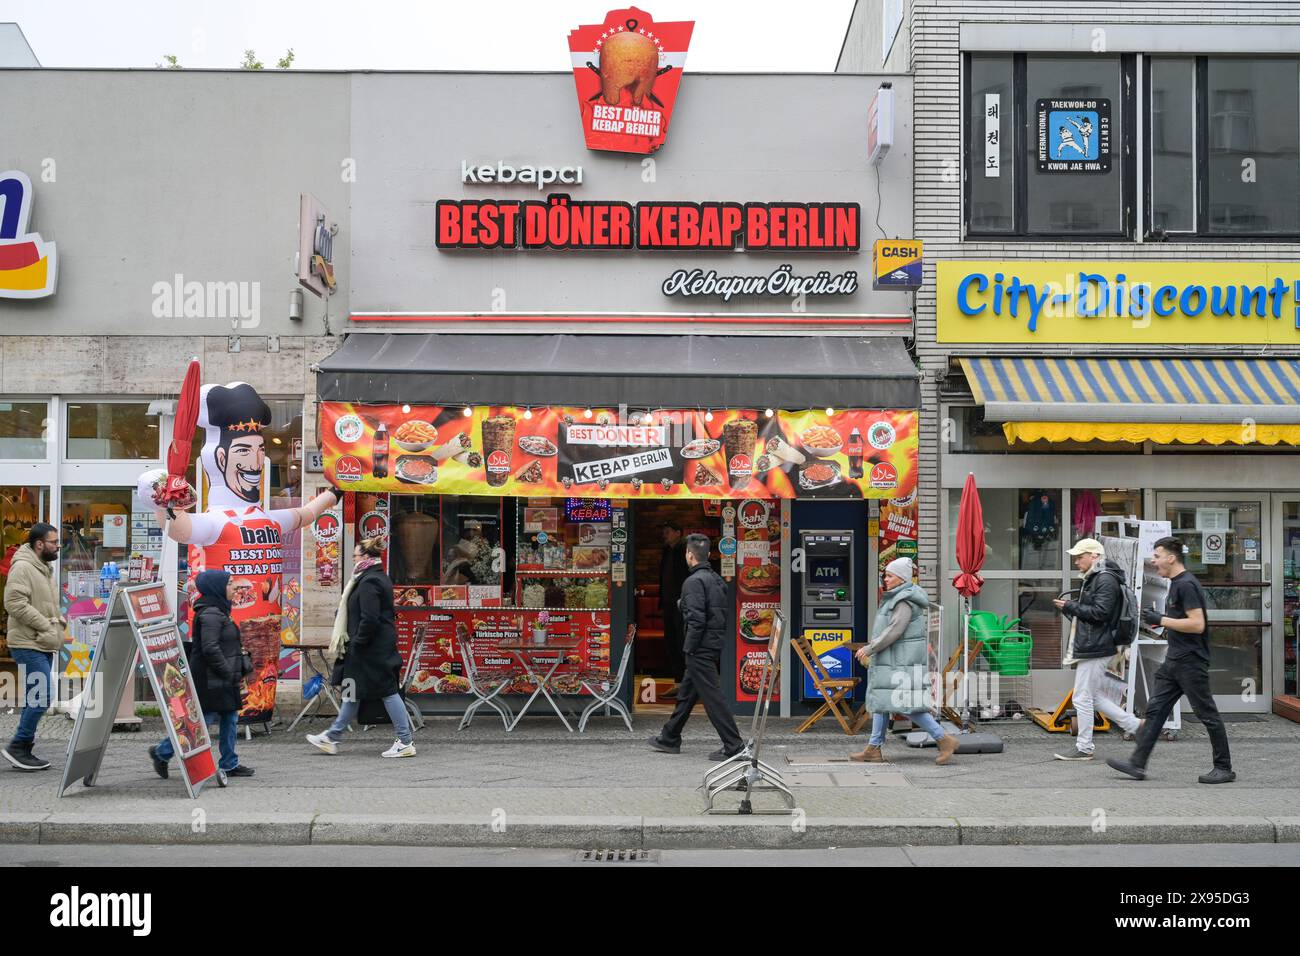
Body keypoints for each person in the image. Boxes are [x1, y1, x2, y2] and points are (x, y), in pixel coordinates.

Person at [1107, 537, 1235, 784]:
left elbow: (1197, 624)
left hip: (1190, 661)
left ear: (1171, 557)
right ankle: (1137, 764)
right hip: (1175, 660)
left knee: (1206, 713)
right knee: (1155, 712)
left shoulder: (1186, 585)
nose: (1153, 561)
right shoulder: (1176, 584)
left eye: (1157, 556)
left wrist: (1160, 619)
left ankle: (1224, 767)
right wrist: (1162, 619)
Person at [307, 536, 414, 758]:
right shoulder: (368, 577)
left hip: (372, 650)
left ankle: (405, 741)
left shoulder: (369, 581)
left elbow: (370, 618)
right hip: (364, 648)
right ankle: (331, 737)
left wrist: (357, 642)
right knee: (351, 691)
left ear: (365, 557)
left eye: (355, 555)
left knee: (388, 691)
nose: (353, 559)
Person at [850, 558, 957, 765]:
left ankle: (944, 739)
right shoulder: (898, 597)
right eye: (886, 575)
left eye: (890, 576)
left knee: (908, 705)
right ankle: (874, 748)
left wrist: (870, 648)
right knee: (882, 702)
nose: (886, 579)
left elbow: (894, 631)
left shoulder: (904, 600)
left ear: (902, 578)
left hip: (901, 661)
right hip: (893, 659)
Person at [648, 533, 744, 760]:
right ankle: (670, 736)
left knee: (712, 698)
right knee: (688, 693)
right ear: (708, 555)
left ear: (689, 555)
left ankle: (734, 745)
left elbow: (697, 620)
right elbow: (713, 613)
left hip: (699, 648)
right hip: (711, 644)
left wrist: (688, 648)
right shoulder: (717, 580)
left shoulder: (693, 582)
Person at [149, 570, 253, 779]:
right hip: (211, 679)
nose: (235, 588)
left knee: (229, 718)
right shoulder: (211, 614)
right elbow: (210, 648)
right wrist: (227, 671)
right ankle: (162, 752)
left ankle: (229, 763)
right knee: (202, 722)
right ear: (217, 587)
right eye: (230, 584)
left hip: (223, 677)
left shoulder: (219, 610)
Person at [1051, 539, 1140, 760]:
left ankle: (1084, 747)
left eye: (1080, 556)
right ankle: (1136, 725)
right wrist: (1073, 608)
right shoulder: (1100, 577)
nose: (1076, 561)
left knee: (1082, 697)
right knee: (1093, 695)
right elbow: (1098, 611)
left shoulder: (1104, 578)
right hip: (1097, 644)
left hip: (1097, 645)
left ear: (1095, 556)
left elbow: (1100, 613)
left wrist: (1070, 606)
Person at [2, 523, 63, 771]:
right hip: (28, 642)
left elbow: (42, 603)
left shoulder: (43, 568)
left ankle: (23, 750)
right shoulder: (24, 567)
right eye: (54, 542)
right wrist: (46, 625)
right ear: (39, 544)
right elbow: (14, 603)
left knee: (35, 696)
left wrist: (57, 621)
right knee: (43, 695)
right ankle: (19, 745)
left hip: (40, 641)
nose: (58, 546)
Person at [657, 520, 689, 696]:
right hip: (669, 604)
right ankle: (679, 682)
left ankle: (687, 684)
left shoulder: (685, 549)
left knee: (682, 643)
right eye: (664, 531)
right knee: (671, 642)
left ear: (678, 532)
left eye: (668, 531)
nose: (665, 534)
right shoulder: (667, 550)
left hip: (682, 605)